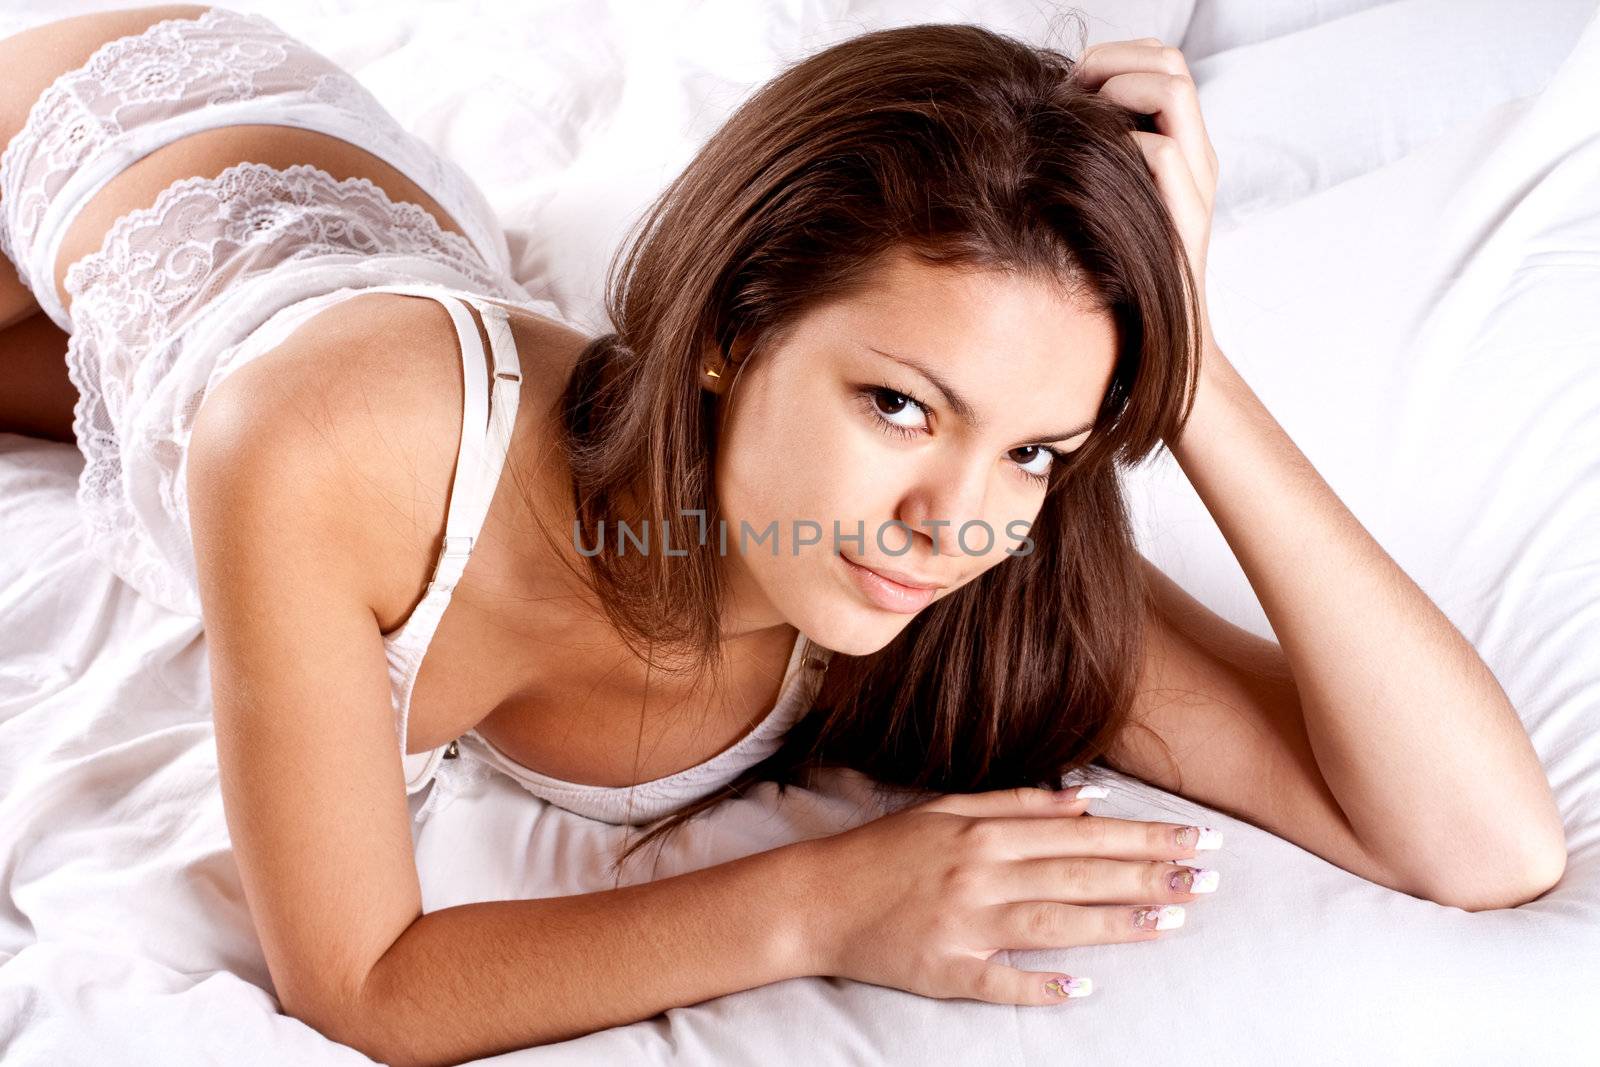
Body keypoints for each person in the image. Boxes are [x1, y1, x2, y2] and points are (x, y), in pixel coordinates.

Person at [0, 7, 1564, 1065]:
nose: (953, 522)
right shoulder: (332, 446)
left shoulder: (969, 562)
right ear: (727, 331)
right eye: (898, 404)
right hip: (134, 126)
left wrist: (1185, 344)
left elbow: (1485, 846)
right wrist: (827, 902)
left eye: (1036, 446)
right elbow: (363, 988)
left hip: (301, 310)